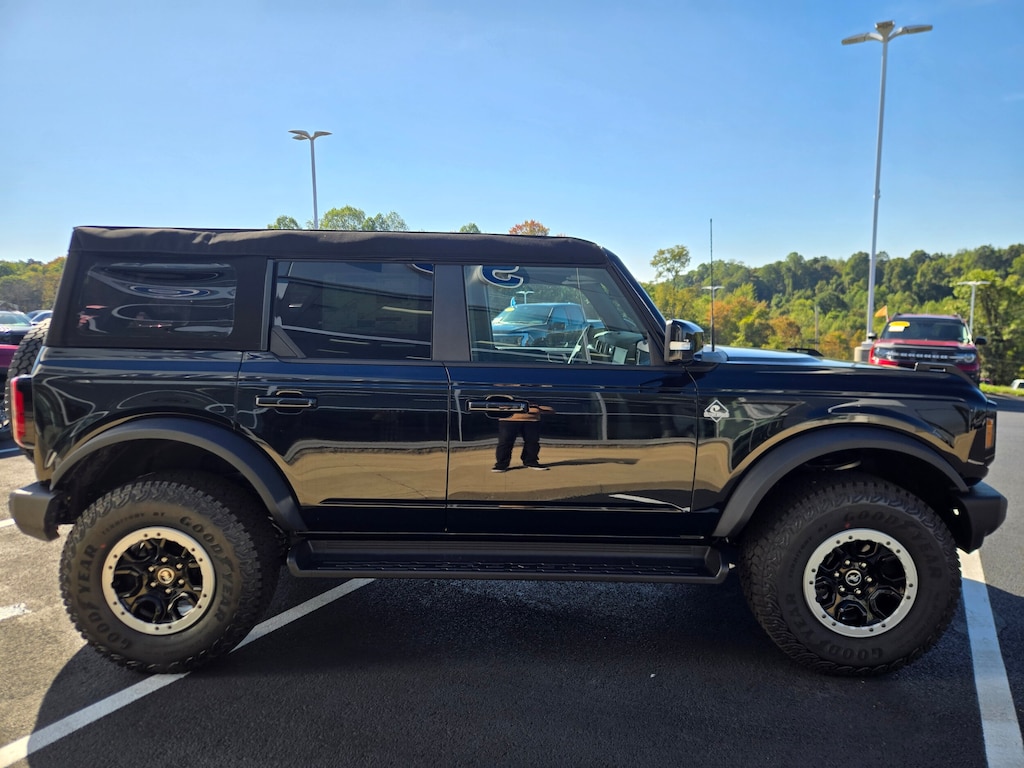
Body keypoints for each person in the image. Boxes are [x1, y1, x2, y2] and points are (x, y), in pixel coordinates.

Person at [492, 401, 554, 472]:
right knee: (505, 442)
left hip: (532, 420)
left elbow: (550, 408)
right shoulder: (508, 392)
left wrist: (536, 408)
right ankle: (501, 465)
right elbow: (497, 405)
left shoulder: (538, 393)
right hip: (508, 420)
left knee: (532, 442)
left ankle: (531, 461)